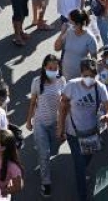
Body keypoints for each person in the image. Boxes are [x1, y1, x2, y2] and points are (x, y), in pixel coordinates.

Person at [58, 58, 108, 201]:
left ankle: (82, 172)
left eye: (92, 76)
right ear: (81, 73)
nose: (89, 79)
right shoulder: (71, 86)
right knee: (80, 166)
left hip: (91, 132)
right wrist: (61, 128)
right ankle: (83, 196)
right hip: (73, 133)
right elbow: (63, 107)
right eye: (86, 75)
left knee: (87, 157)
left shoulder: (99, 87)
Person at [25, 54, 66, 197]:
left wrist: (64, 125)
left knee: (53, 150)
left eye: (55, 68)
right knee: (45, 154)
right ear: (44, 68)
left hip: (55, 123)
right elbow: (32, 102)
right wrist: (29, 120)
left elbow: (64, 104)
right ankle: (46, 182)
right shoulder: (36, 82)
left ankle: (44, 162)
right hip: (40, 123)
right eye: (50, 68)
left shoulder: (61, 81)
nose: (53, 70)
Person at [54, 8, 101, 80]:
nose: (67, 24)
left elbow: (94, 60)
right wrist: (62, 33)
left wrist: (88, 78)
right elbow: (56, 48)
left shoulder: (90, 38)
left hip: (79, 78)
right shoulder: (68, 31)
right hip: (65, 74)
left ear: (78, 24)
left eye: (70, 21)